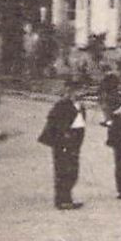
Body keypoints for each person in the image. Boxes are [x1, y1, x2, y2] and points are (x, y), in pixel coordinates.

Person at [37, 77, 88, 209]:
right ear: (69, 91)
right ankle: (62, 200)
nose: (80, 93)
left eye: (81, 90)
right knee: (63, 170)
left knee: (73, 171)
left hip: (75, 141)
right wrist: (64, 134)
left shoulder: (80, 106)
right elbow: (54, 121)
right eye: (77, 91)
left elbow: (81, 122)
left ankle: (67, 197)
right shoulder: (62, 105)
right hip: (63, 141)